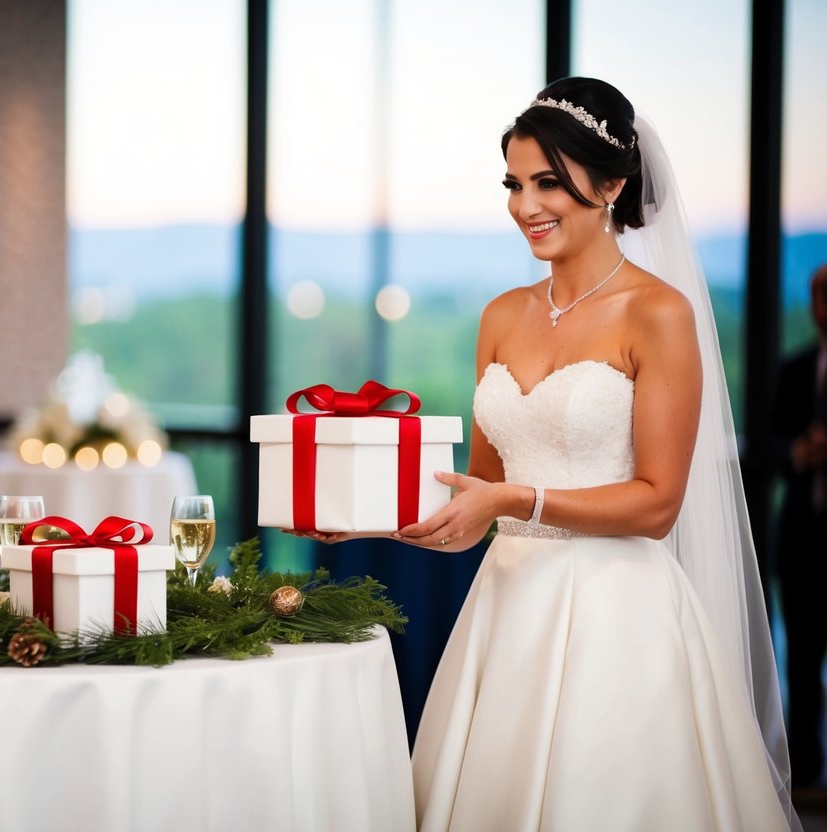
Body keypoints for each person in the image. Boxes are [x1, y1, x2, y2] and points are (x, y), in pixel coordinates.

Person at [298, 77, 798, 829]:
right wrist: (365, 519)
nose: (525, 205)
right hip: (506, 608)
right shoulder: (501, 315)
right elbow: (475, 497)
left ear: (611, 187)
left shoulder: (659, 313)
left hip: (616, 614)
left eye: (548, 183)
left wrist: (512, 503)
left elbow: (658, 504)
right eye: (514, 183)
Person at [775, 264, 827, 788]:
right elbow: (767, 445)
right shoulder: (794, 369)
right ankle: (807, 779)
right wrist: (798, 452)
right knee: (803, 667)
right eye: (818, 297)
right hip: (803, 542)